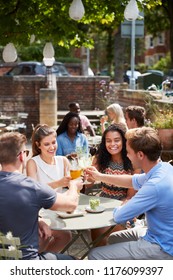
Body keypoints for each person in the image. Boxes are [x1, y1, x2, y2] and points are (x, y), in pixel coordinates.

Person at [87, 127, 173, 260]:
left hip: (163, 246)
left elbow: (120, 216)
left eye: (128, 152)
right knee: (113, 238)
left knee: (95, 254)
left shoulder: (154, 185)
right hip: (155, 233)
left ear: (140, 155)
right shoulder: (163, 168)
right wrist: (99, 176)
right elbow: (132, 180)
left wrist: (121, 205)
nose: (126, 155)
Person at [0, 131, 82, 260]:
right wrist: (73, 185)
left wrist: (38, 220)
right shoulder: (31, 187)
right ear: (22, 156)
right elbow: (71, 204)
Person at [85, 124, 136, 245]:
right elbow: (88, 184)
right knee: (96, 230)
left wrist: (121, 210)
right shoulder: (99, 158)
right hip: (102, 203)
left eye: (117, 140)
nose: (112, 144)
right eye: (108, 141)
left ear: (124, 141)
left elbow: (130, 196)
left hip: (123, 204)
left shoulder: (132, 161)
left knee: (105, 229)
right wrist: (87, 177)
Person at [26, 124, 72, 253]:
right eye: (46, 144)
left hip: (59, 210)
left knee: (66, 235)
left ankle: (46, 262)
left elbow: (72, 186)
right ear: (38, 145)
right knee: (47, 235)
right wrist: (58, 183)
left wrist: (77, 183)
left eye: (54, 142)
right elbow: (33, 191)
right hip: (40, 212)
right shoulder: (33, 163)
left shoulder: (63, 160)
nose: (52, 147)